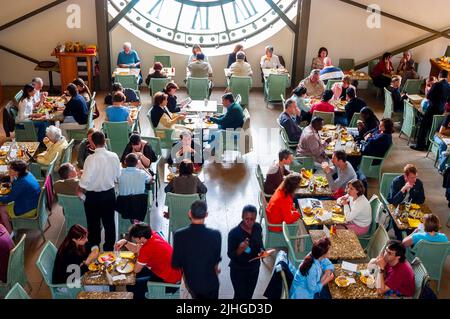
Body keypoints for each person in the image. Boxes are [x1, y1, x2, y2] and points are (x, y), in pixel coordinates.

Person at [114, 223, 182, 299]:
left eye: (135, 238)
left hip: (169, 282)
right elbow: (137, 249)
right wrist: (125, 242)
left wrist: (132, 260)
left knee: (132, 283)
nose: (134, 240)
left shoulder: (147, 249)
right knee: (134, 276)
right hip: (171, 272)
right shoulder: (152, 234)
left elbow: (136, 269)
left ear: (141, 238)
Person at [79, 131, 121, 251]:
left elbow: (85, 181)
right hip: (109, 194)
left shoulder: (90, 159)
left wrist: (79, 189)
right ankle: (108, 248)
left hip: (92, 197)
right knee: (109, 223)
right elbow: (118, 175)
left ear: (92, 142)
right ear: (104, 141)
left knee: (93, 224)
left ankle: (94, 247)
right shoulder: (114, 156)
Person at [172, 200, 222, 299]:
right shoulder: (215, 235)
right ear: (206, 214)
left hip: (193, 283)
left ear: (190, 213)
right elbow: (216, 261)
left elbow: (176, 264)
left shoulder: (179, 235)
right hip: (211, 282)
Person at [227, 205, 264, 299]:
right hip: (239, 270)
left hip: (254, 268)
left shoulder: (257, 227)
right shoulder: (234, 233)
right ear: (242, 217)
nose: (250, 222)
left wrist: (262, 250)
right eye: (247, 219)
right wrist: (240, 249)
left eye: (253, 219)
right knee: (240, 296)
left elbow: (260, 243)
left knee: (249, 295)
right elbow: (230, 254)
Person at [411, 70, 450, 151]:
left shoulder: (437, 84)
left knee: (423, 126)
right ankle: (428, 145)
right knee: (433, 127)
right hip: (441, 109)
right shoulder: (449, 86)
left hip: (432, 108)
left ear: (439, 76)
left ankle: (420, 145)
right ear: (447, 77)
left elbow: (428, 96)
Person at [0, 160, 41, 233]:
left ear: (17, 172)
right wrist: (12, 180)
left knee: (2, 209)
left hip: (29, 208)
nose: (8, 170)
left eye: (10, 169)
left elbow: (9, 199)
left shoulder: (21, 183)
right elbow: (16, 191)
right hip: (35, 203)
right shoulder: (28, 174)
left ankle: (10, 232)